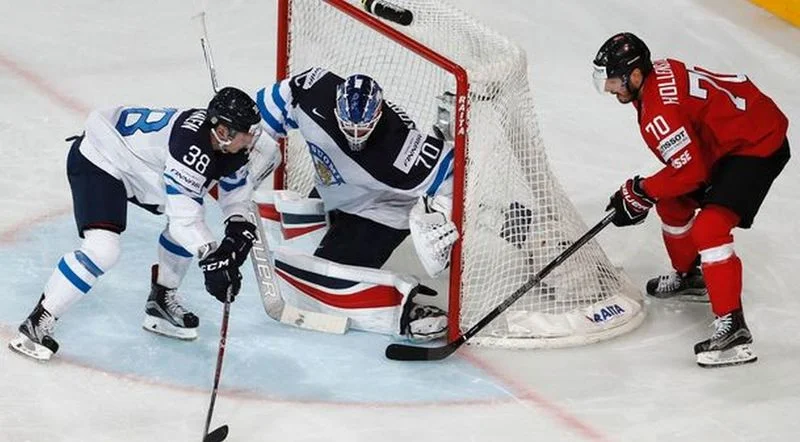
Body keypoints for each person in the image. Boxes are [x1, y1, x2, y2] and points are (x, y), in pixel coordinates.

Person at [8, 87, 280, 361]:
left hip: (140, 169)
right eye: (248, 132)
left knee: (190, 224)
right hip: (100, 160)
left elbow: (235, 195)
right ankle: (39, 319)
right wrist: (214, 258)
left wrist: (237, 228)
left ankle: (161, 299)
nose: (252, 139)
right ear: (224, 132)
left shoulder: (228, 146)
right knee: (103, 250)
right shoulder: (191, 148)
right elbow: (184, 222)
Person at [593, 32, 790, 367]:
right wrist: (646, 193)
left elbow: (692, 173)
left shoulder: (658, 111)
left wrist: (641, 191)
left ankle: (733, 329)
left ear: (636, 75)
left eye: (614, 80)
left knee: (710, 228)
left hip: (756, 144)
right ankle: (688, 277)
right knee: (672, 203)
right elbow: (687, 160)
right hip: (728, 139)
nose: (611, 88)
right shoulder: (657, 75)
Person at [254, 68, 458, 340]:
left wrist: (440, 213)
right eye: (349, 125)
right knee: (298, 242)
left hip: (381, 210)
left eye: (364, 127)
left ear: (379, 114)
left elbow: (454, 171)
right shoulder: (315, 90)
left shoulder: (398, 149)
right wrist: (252, 142)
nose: (356, 133)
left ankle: (404, 312)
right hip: (336, 191)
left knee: (326, 281)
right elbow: (277, 101)